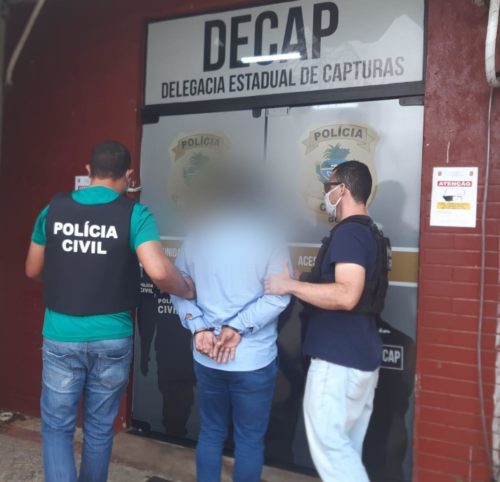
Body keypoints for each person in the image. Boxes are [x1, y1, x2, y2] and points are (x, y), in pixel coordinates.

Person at [25, 140, 194, 482]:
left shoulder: (53, 209)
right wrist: (188, 289)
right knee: (100, 429)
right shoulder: (135, 214)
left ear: (89, 171)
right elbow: (159, 272)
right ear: (128, 175)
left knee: (57, 428)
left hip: (62, 334)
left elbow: (32, 269)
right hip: (112, 337)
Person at [265, 160, 387, 482]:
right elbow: (345, 285)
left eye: (327, 187)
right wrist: (303, 280)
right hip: (358, 358)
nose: (325, 194)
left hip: (338, 363)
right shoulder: (369, 232)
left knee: (332, 450)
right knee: (346, 451)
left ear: (342, 189)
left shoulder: (349, 233)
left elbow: (347, 294)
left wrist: (289, 286)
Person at [170, 165, 291, 482]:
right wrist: (236, 328)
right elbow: (279, 297)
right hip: (253, 359)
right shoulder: (270, 238)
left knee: (210, 432)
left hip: (207, 354)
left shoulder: (199, 235)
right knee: (249, 440)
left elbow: (178, 287)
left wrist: (198, 326)